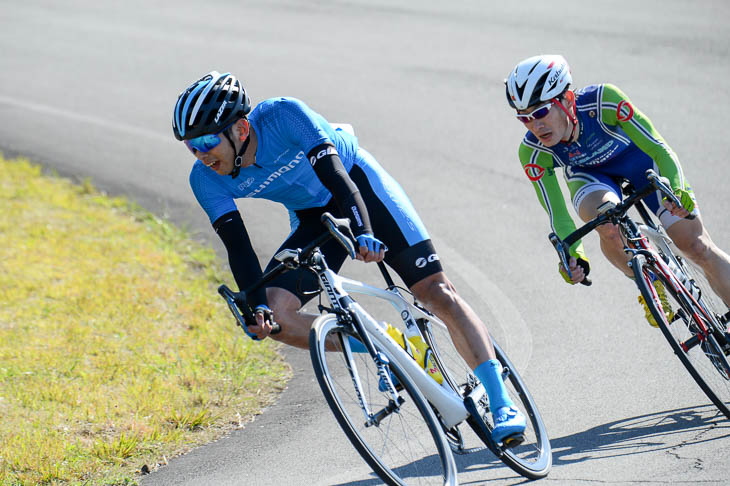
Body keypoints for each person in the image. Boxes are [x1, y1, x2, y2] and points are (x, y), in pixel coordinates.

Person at [173, 71, 525, 444]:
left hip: (359, 188)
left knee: (435, 291)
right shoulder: (205, 178)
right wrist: (255, 308)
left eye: (207, 141)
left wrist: (365, 232)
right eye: (191, 146)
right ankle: (390, 346)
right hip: (313, 216)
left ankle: (502, 402)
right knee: (276, 318)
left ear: (241, 130)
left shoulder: (284, 116)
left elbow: (338, 177)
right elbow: (238, 247)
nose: (201, 154)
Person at [505, 54, 730, 327]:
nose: (534, 125)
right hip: (590, 177)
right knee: (605, 220)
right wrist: (574, 256)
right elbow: (558, 214)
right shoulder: (533, 152)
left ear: (566, 100)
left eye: (540, 112)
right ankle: (648, 279)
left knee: (696, 245)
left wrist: (677, 188)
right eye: (524, 118)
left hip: (640, 162)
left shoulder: (604, 101)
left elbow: (659, 149)